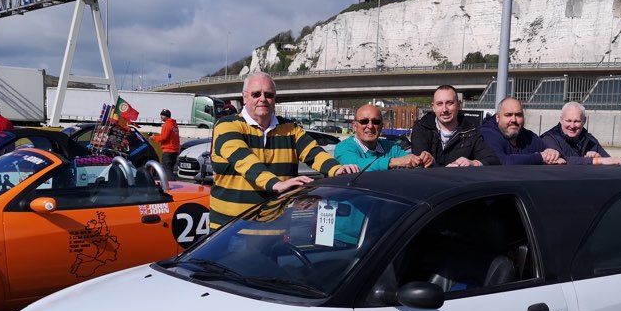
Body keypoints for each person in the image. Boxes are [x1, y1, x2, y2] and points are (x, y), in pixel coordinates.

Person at [210, 72, 360, 229]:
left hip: (274, 232)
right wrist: (275, 184)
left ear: (274, 99)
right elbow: (243, 159)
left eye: (268, 95)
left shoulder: (290, 129)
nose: (263, 99)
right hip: (229, 231)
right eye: (256, 94)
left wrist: (336, 170)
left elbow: (314, 152)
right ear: (244, 97)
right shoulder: (227, 125)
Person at [410, 84, 498, 167]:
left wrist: (473, 163)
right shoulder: (421, 128)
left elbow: (492, 160)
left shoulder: (471, 131)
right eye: (440, 104)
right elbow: (419, 164)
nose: (444, 109)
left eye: (449, 103)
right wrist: (433, 163)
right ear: (433, 107)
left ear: (459, 105)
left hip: (460, 182)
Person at [335, 104, 433, 171]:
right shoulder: (343, 148)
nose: (370, 126)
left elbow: (410, 164)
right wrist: (393, 162)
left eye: (376, 122)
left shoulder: (392, 148)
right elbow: (357, 165)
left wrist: (422, 160)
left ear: (382, 126)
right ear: (354, 126)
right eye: (364, 121)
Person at [480, 97, 565, 165]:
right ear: (497, 118)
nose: (513, 119)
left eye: (518, 115)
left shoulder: (528, 136)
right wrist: (540, 157)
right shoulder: (487, 134)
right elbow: (502, 161)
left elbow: (546, 151)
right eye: (508, 115)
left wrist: (552, 153)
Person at [541, 101, 621, 165]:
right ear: (561, 120)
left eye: (577, 121)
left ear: (584, 121)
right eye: (568, 121)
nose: (572, 126)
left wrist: (598, 156)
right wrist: (597, 160)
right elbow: (564, 160)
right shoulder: (549, 139)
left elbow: (609, 160)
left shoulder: (590, 140)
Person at [152, 108, 181, 178]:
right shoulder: (174, 125)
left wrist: (153, 137)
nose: (161, 116)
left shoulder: (167, 125)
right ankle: (171, 183)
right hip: (175, 151)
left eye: (163, 115)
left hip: (168, 151)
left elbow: (163, 138)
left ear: (167, 116)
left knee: (167, 170)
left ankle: (169, 185)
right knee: (170, 170)